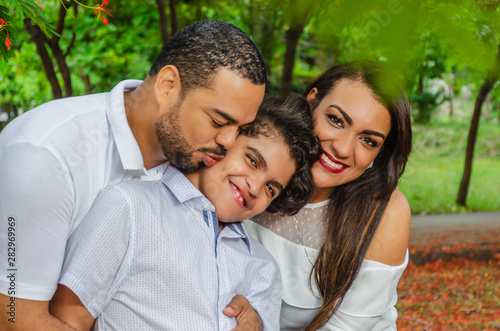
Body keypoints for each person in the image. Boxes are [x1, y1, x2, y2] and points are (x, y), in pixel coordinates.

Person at [0, 20, 266, 330]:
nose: (229, 142)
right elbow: (14, 316)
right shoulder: (48, 154)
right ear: (167, 86)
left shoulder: (194, 162)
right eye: (219, 121)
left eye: (241, 130)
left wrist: (251, 312)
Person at [48, 95, 320, 330]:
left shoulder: (262, 269)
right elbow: (68, 317)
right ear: (224, 141)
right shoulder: (130, 208)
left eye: (271, 188)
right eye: (251, 160)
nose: (254, 186)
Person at [244, 62, 413, 330]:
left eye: (368, 140)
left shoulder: (384, 209)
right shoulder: (250, 168)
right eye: (336, 120)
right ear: (312, 100)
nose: (343, 149)